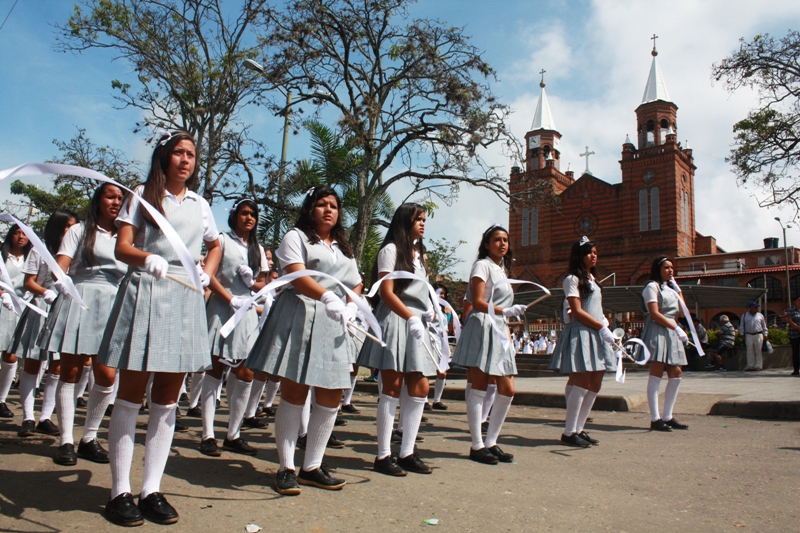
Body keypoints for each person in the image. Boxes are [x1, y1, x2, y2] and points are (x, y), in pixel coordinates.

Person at [97, 130, 220, 526]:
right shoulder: (141, 195)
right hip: (147, 293)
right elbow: (122, 246)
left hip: (184, 300)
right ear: (164, 157)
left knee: (168, 396)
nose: (186, 160)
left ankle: (151, 488)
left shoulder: (201, 204)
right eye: (179, 153)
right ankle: (119, 491)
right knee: (132, 393)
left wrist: (207, 274)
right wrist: (146, 257)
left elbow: (214, 244)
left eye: (191, 155)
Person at [246, 186, 362, 496]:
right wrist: (326, 295)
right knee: (295, 390)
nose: (328, 210)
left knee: (332, 393)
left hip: (335, 322)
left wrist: (351, 304)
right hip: (301, 313)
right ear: (309, 208)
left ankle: (312, 465)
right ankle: (286, 467)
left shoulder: (343, 247)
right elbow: (295, 274)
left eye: (334, 206)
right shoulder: (295, 237)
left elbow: (356, 282)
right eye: (322, 204)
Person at [37, 184, 127, 466]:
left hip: (113, 302)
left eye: (120, 198)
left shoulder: (128, 236)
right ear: (98, 200)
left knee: (106, 375)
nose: (116, 202)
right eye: (110, 196)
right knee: (72, 371)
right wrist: (60, 282)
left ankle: (89, 437)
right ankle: (66, 440)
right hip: (81, 297)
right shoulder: (80, 230)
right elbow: (60, 265)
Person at [358, 203, 439, 477]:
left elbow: (425, 291)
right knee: (391, 386)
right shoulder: (390, 250)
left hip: (417, 322)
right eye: (418, 219)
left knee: (420, 386)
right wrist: (410, 315)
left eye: (424, 220)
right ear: (404, 222)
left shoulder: (421, 254)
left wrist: (430, 311)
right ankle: (383, 454)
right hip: (395, 318)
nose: (422, 224)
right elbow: (387, 291)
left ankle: (407, 451)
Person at [200, 198, 270, 457]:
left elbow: (263, 284)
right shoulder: (222, 241)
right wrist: (230, 298)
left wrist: (252, 283)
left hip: (247, 312)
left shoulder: (258, 249)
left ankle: (234, 433)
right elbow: (210, 276)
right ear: (234, 216)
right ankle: (208, 434)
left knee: (246, 372)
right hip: (222, 307)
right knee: (216, 368)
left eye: (253, 214)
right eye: (244, 213)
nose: (249, 218)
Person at [452, 224, 524, 465]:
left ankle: (491, 441)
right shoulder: (482, 265)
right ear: (486, 244)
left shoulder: (502, 269)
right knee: (480, 384)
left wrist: (507, 317)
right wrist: (507, 310)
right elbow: (479, 301)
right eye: (497, 240)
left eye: (505, 240)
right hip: (483, 325)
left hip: (499, 328)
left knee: (508, 388)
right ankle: (477, 444)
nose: (502, 243)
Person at [12, 209, 79, 438]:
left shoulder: (77, 251)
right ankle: (28, 416)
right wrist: (45, 292)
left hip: (63, 309)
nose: (73, 230)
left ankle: (46, 417)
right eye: (69, 225)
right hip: (41, 307)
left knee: (58, 366)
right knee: (32, 362)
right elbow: (29, 282)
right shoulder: (40, 251)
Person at [549, 236, 615, 448]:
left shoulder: (593, 280)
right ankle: (569, 432)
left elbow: (595, 309)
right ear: (579, 256)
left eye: (595, 252)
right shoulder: (572, 279)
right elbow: (576, 311)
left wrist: (604, 321)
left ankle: (579, 427)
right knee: (582, 381)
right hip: (583, 332)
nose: (594, 256)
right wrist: (601, 326)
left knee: (595, 382)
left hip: (596, 332)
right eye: (589, 252)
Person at [641, 257, 690, 432]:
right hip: (659, 329)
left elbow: (683, 312)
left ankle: (668, 415)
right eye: (667, 267)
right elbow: (654, 313)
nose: (671, 270)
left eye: (672, 268)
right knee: (657, 370)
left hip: (672, 329)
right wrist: (675, 327)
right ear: (658, 269)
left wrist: (679, 291)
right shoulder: (651, 287)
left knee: (676, 372)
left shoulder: (670, 289)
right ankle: (655, 418)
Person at [0, 224, 32, 418]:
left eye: (24, 234)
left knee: (11, 355)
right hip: (2, 305)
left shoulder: (31, 258)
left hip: (20, 309)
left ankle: (1, 399)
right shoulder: (3, 257)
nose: (21, 237)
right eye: (17, 233)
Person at [740, 302, 768, 371]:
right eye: (755, 307)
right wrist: (742, 334)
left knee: (758, 350)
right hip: (749, 334)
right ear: (750, 308)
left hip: (758, 334)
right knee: (749, 350)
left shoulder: (760, 315)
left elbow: (764, 325)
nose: (756, 308)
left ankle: (758, 365)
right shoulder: (745, 315)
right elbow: (742, 325)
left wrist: (765, 334)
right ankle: (750, 365)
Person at [784, 296, 800, 375]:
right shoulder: (791, 310)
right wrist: (797, 327)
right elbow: (790, 320)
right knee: (796, 351)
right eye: (799, 300)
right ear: (796, 302)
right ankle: (796, 369)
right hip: (794, 334)